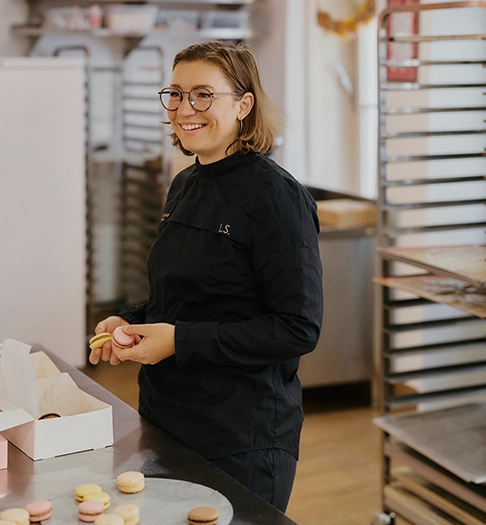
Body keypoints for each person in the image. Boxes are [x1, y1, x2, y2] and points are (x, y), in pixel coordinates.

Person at [89, 40, 323, 512]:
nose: (184, 108)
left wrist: (178, 341)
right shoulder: (185, 184)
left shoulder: (275, 197)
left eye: (203, 94)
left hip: (242, 437)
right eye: (175, 94)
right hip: (167, 419)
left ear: (243, 105)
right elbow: (183, 295)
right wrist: (128, 321)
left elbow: (297, 327)